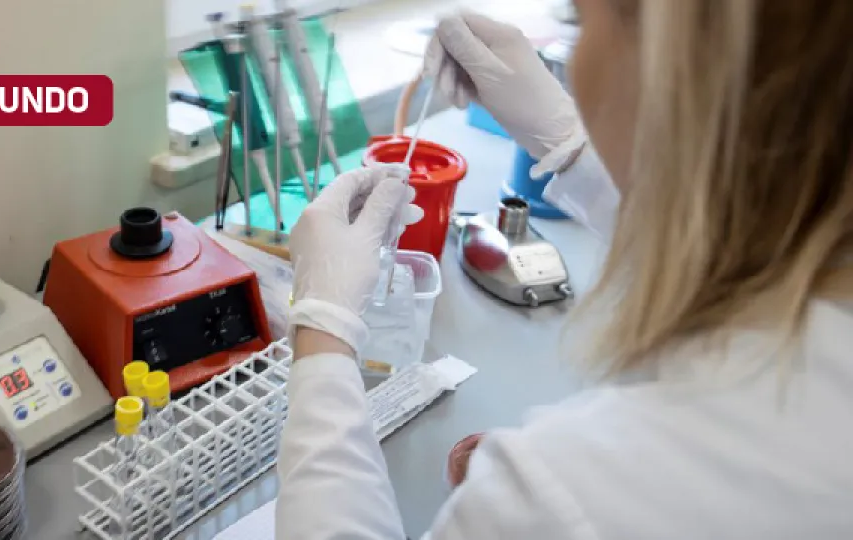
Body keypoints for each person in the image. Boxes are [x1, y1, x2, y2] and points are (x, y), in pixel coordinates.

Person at [277, 1, 853, 538]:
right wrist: (569, 143)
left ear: (671, 71)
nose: (574, 60)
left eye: (578, 19)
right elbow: (741, 244)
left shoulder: (571, 494)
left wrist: (322, 327)